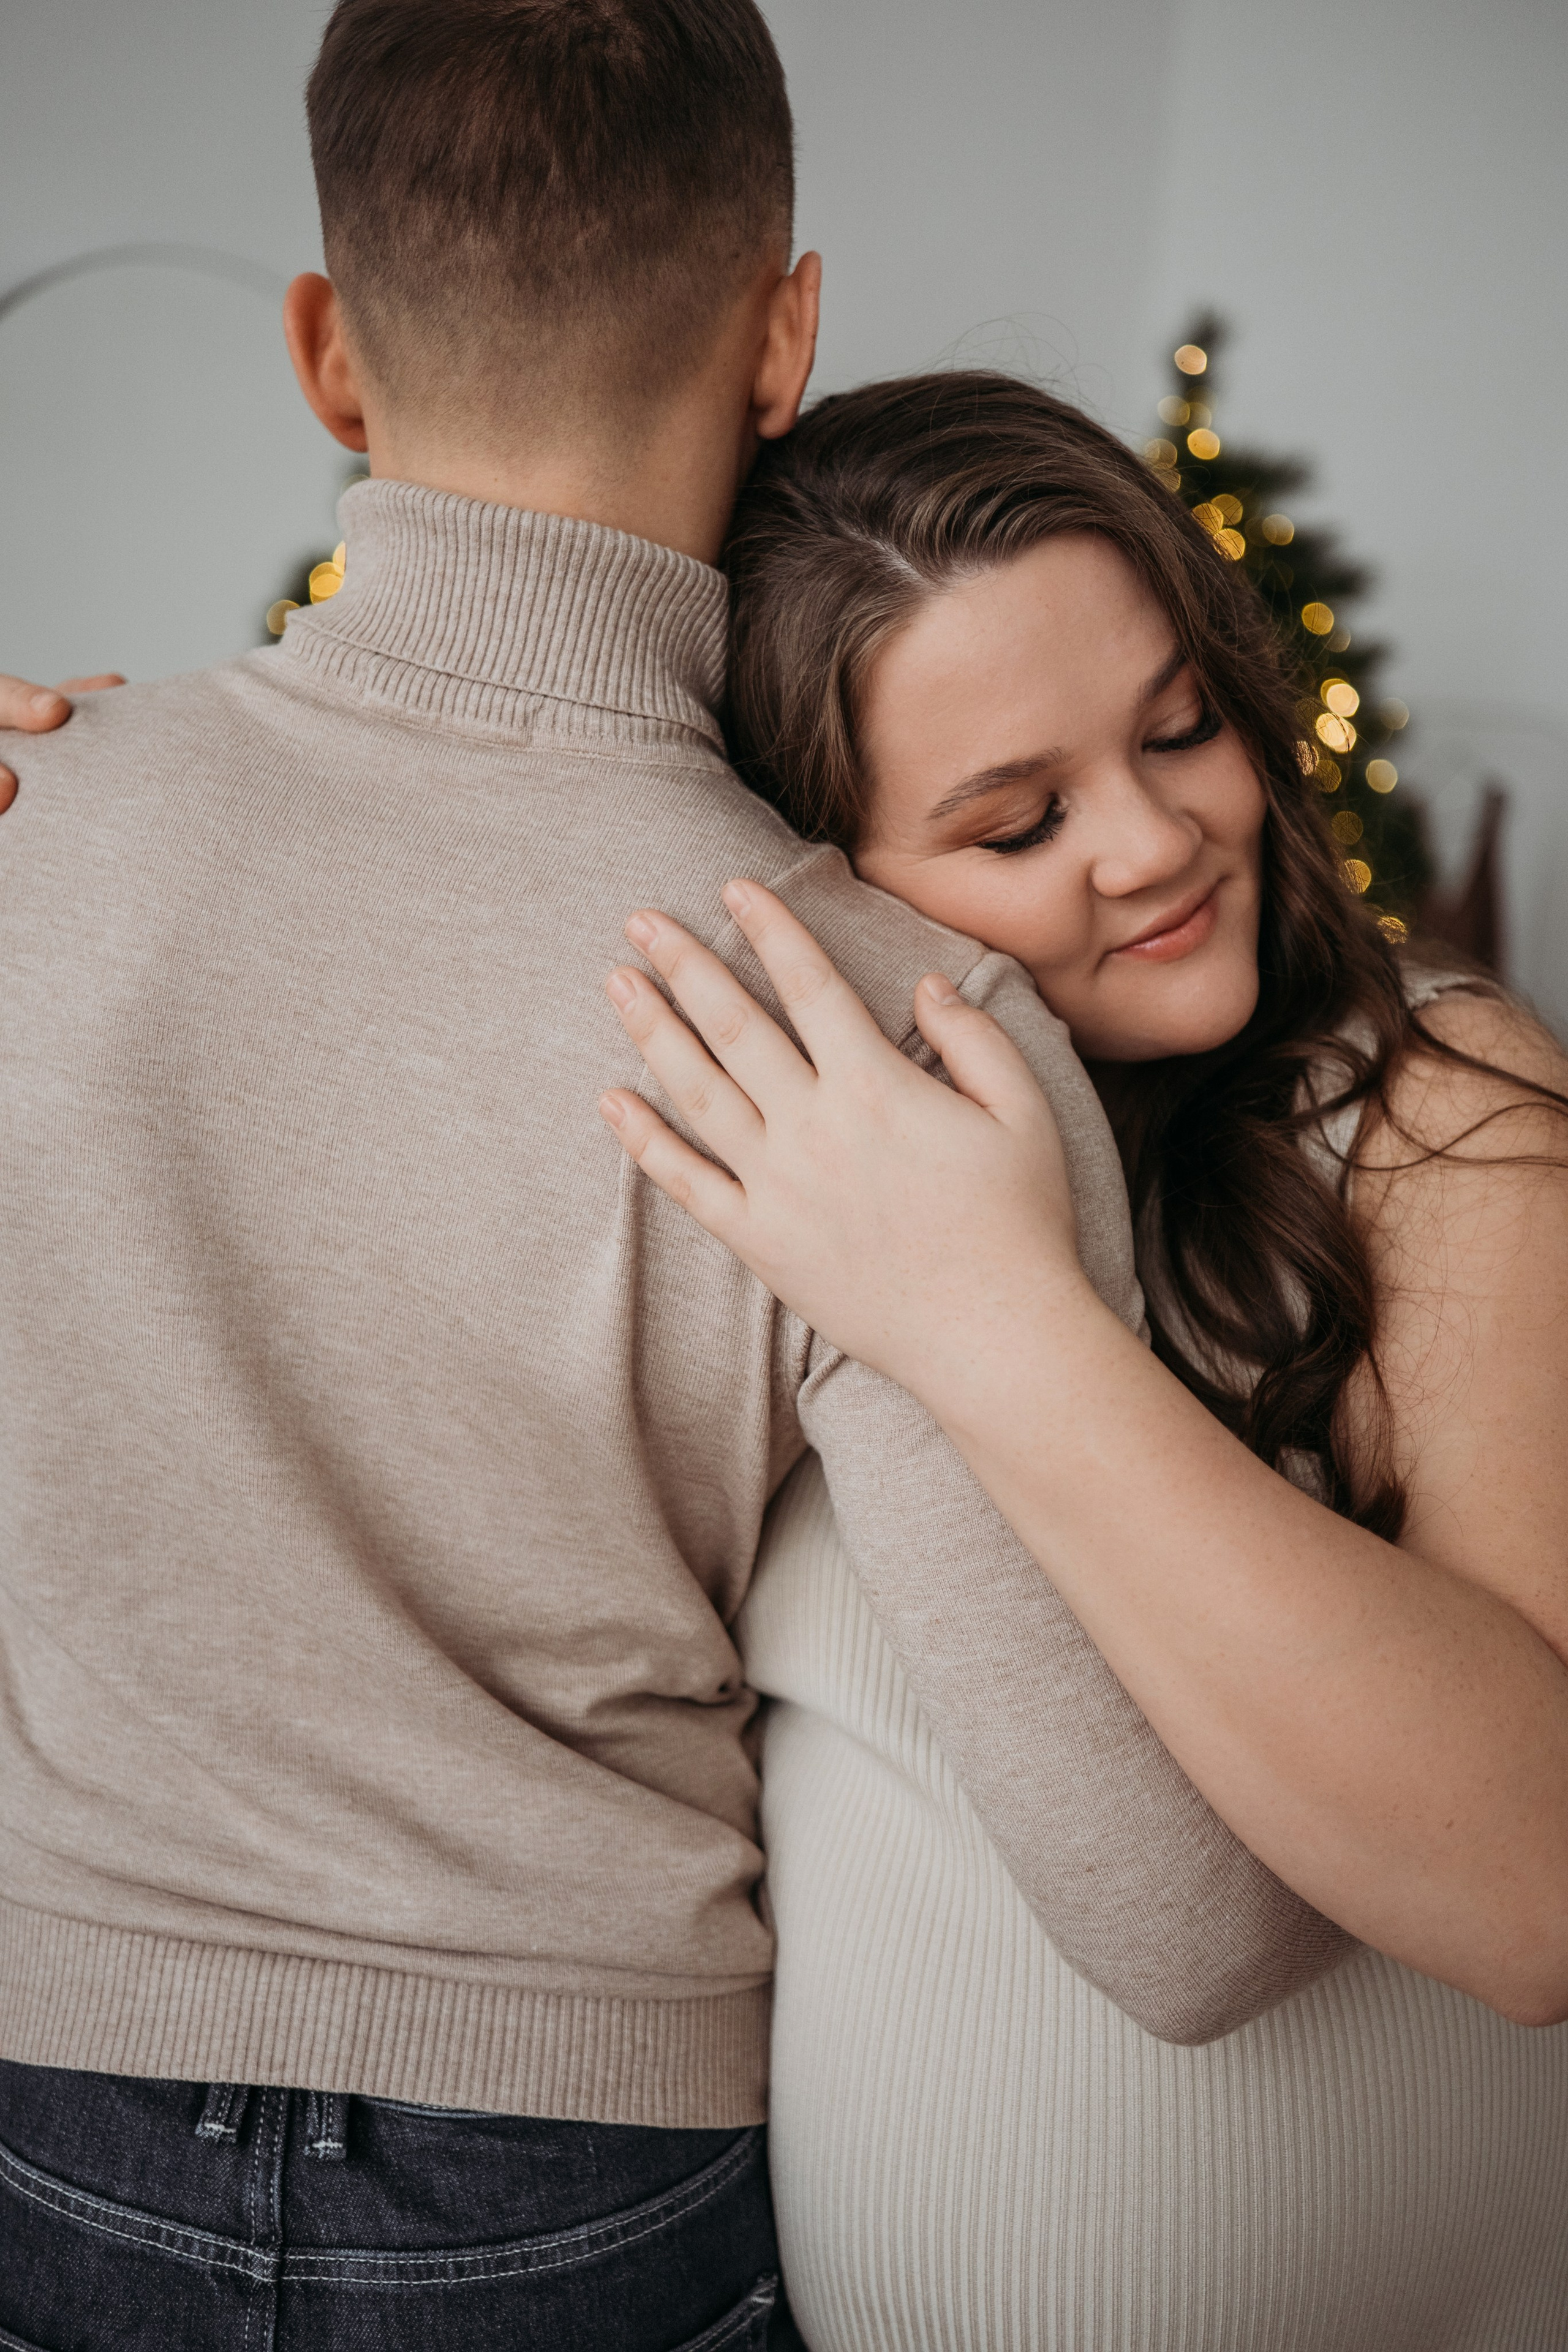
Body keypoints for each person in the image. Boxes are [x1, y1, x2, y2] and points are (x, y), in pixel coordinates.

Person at [0, 10, 1348, 2345]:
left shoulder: (38, 828)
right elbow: (1186, 1919)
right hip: (564, 2181)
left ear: (331, 355)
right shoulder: (874, 1011)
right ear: (786, 337)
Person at [599, 372, 1568, 2351]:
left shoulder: (1437, 1108)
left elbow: (1535, 1893)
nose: (1151, 842)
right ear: (818, 885)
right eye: (1020, 821)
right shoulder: (753, 1156)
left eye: (1179, 727)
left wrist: (991, 1312)